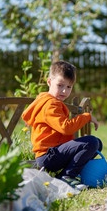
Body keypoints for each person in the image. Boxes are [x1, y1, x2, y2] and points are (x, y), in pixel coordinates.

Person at [22, 60, 102, 190]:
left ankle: (66, 174)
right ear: (49, 82)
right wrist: (86, 117)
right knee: (91, 142)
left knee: (97, 143)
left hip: (53, 153)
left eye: (69, 87)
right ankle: (67, 177)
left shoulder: (48, 101)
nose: (64, 91)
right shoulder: (50, 105)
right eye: (60, 85)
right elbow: (65, 128)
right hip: (48, 156)